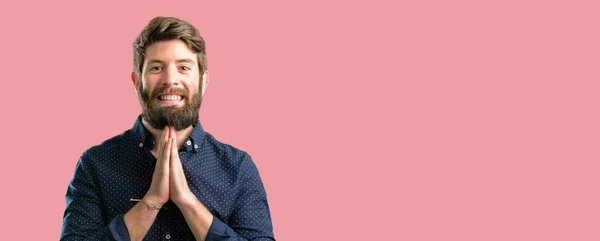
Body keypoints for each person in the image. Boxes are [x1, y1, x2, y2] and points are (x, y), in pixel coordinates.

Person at [61, 16, 275, 241]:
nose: (170, 79)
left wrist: (187, 202)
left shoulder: (238, 168)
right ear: (137, 82)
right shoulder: (95, 164)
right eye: (156, 67)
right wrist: (151, 201)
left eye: (183, 67)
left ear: (203, 82)